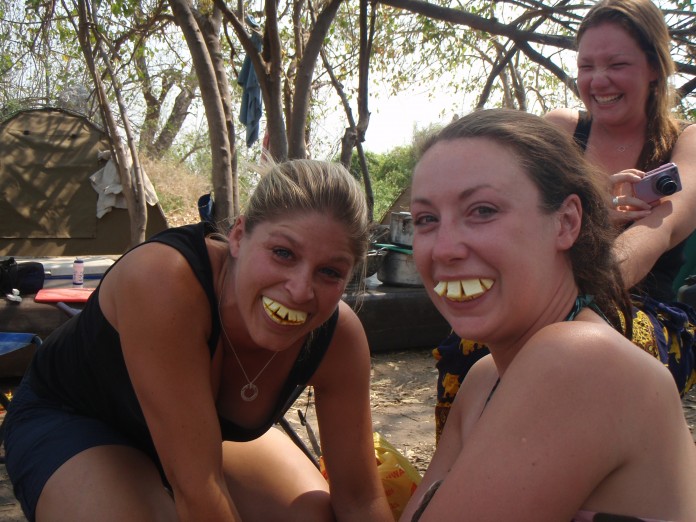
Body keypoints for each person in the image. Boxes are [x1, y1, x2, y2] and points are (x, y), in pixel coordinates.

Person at [3, 159, 393, 522]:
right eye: (283, 253)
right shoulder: (164, 279)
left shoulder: (337, 337)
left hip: (198, 444)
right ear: (238, 236)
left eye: (329, 272)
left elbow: (360, 499)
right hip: (75, 420)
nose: (300, 290)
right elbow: (200, 491)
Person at [400, 108, 696, 522]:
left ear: (566, 222)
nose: (444, 248)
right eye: (427, 219)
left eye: (482, 210)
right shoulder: (483, 379)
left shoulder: (579, 359)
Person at [433, 0, 696, 442]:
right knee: (471, 344)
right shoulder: (558, 131)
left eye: (617, 64)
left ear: (654, 66)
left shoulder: (684, 142)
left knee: (595, 345)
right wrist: (594, 212)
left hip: (645, 309)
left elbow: (662, 227)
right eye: (586, 65)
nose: (599, 80)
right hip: (542, 297)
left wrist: (572, 305)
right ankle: (467, 471)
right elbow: (508, 218)